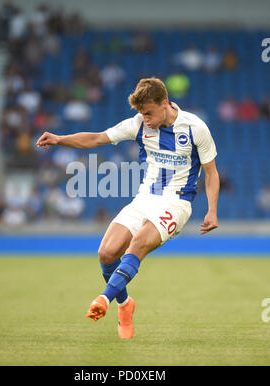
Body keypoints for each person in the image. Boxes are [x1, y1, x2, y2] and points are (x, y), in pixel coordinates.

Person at [36, 77, 220, 339]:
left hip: (177, 202)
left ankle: (105, 299)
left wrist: (212, 210)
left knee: (137, 244)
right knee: (107, 252)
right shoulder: (138, 124)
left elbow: (211, 173)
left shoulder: (195, 128)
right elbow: (97, 138)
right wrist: (59, 139)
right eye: (141, 113)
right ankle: (125, 304)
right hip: (145, 198)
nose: (144, 118)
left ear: (165, 103)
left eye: (148, 113)